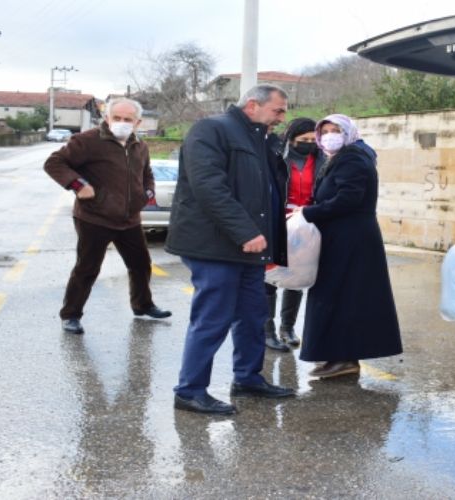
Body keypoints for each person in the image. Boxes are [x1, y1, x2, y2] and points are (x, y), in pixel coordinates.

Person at [166, 84, 295, 415]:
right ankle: (190, 390)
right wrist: (244, 231)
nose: (282, 118)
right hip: (215, 244)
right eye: (278, 110)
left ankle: (247, 378)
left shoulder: (261, 138)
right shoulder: (212, 129)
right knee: (212, 317)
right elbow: (208, 186)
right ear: (253, 105)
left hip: (249, 248)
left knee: (253, 315)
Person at [44, 97, 172, 335]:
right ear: (107, 118)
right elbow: (54, 163)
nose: (122, 123)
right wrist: (78, 184)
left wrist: (147, 192)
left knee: (141, 264)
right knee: (87, 268)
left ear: (137, 122)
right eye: (117, 118)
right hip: (94, 217)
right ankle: (71, 315)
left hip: (129, 219)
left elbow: (147, 173)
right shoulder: (87, 141)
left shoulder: (139, 146)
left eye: (128, 119)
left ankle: (143, 305)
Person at [298, 114, 402, 379]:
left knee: (345, 298)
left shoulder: (352, 158)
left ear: (348, 133)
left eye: (336, 130)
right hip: (343, 237)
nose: (330, 135)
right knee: (340, 297)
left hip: (350, 239)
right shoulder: (341, 157)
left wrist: (308, 213)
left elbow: (348, 199)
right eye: (325, 130)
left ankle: (345, 357)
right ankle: (338, 356)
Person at [264, 117, 326, 352]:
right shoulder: (278, 157)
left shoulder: (321, 160)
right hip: (277, 222)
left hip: (306, 223)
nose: (309, 143)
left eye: (313, 139)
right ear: (291, 139)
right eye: (303, 140)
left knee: (297, 275)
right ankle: (267, 330)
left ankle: (287, 328)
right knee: (269, 277)